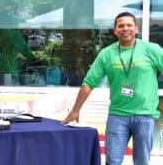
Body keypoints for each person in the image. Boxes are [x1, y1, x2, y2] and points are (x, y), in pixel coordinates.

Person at [62, 12, 163, 165]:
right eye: (121, 26)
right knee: (112, 161)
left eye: (129, 25)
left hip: (145, 115)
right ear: (115, 30)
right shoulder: (106, 54)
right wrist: (76, 110)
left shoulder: (151, 50)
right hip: (118, 115)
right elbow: (89, 83)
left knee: (142, 161)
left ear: (136, 29)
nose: (125, 28)